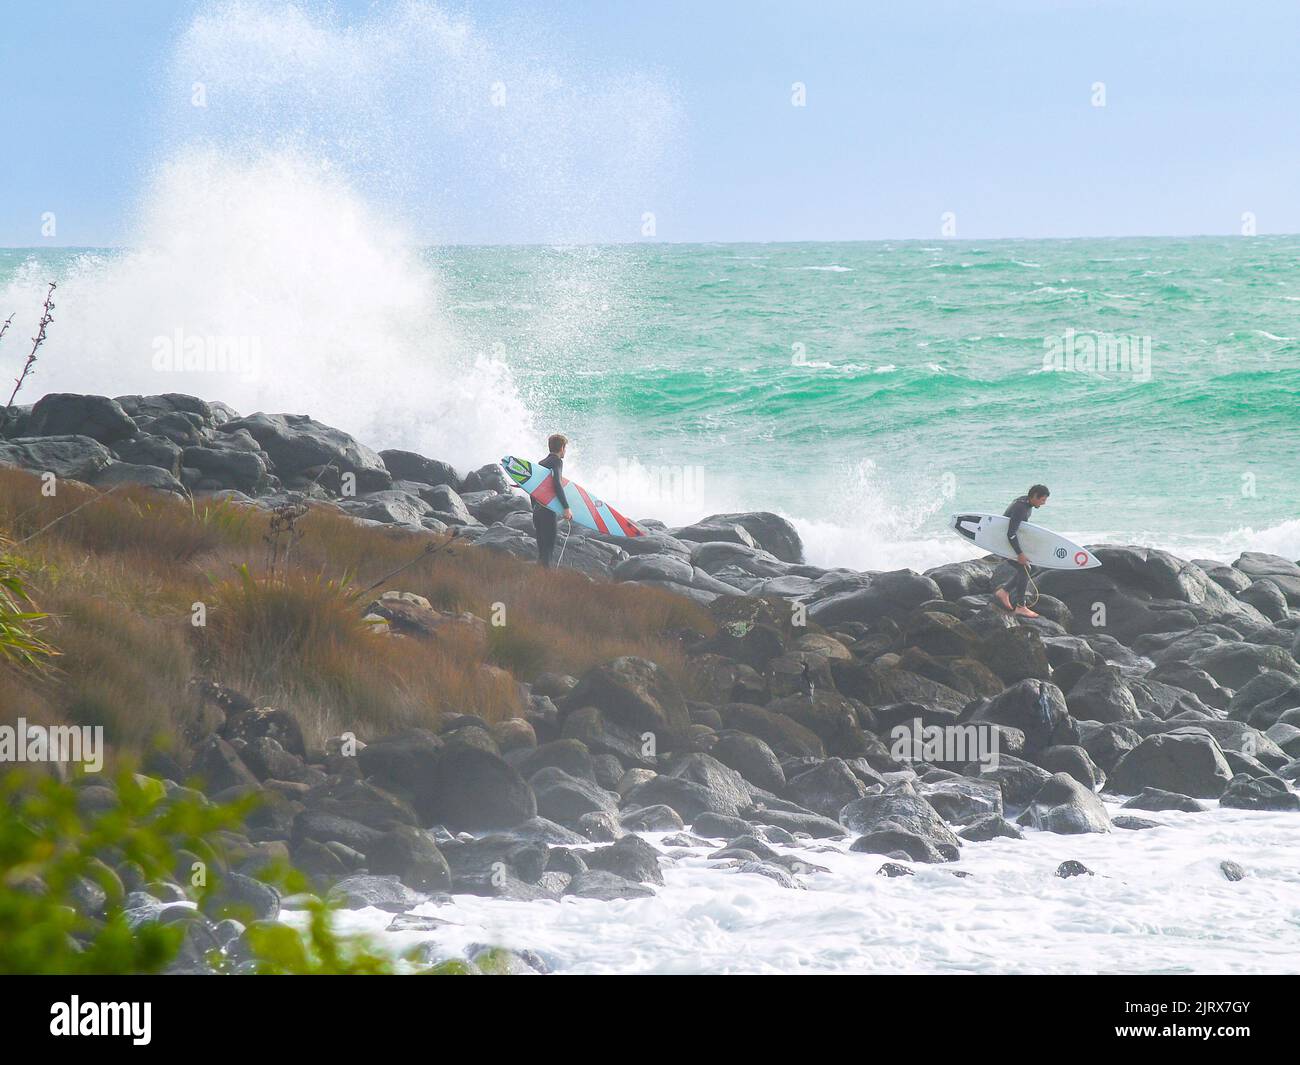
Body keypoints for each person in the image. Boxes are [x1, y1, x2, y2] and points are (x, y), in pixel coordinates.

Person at [994, 484, 1050, 617]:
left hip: (1006, 542)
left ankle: (1004, 592)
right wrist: (1020, 553)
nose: (1044, 503)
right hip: (1005, 544)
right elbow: (1011, 533)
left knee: (1028, 568)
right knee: (1025, 568)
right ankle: (1020, 606)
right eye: (1042, 500)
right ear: (1035, 496)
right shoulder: (1021, 508)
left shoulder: (1025, 502)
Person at [533, 433, 573, 568]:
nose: (565, 451)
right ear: (561, 448)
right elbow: (557, 484)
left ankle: (537, 579)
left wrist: (534, 507)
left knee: (541, 551)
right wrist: (566, 507)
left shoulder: (541, 463)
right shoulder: (557, 461)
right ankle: (544, 581)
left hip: (537, 511)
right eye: (565, 448)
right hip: (548, 512)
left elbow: (533, 489)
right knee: (548, 551)